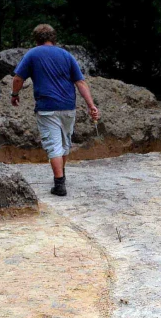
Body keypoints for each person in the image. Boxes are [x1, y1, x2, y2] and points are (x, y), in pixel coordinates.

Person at [10, 24, 100, 197]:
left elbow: (18, 78)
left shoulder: (33, 54)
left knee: (53, 145)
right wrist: (91, 106)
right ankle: (61, 176)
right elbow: (80, 82)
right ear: (53, 37)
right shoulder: (66, 55)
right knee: (64, 144)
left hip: (47, 108)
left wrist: (15, 94)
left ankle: (59, 185)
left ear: (36, 39)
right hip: (68, 106)